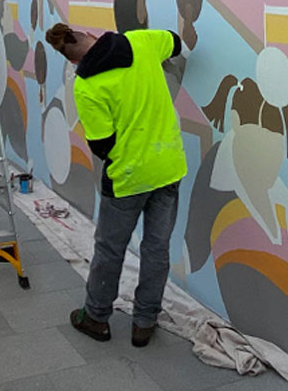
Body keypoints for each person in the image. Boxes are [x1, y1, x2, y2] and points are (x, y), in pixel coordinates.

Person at [45, 22, 187, 347]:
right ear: (90, 34)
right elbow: (175, 43)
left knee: (110, 249)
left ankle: (95, 318)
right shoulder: (141, 42)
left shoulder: (86, 86)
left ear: (71, 61)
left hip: (128, 177)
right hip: (168, 166)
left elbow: (101, 144)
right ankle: (144, 323)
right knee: (156, 248)